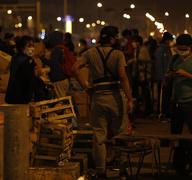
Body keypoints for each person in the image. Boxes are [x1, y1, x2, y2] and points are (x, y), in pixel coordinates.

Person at [73, 26, 133, 178]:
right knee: (120, 134)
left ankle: (101, 171)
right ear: (113, 39)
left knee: (99, 136)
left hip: (98, 97)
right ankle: (122, 170)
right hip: (116, 97)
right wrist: (130, 98)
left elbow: (75, 68)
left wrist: (86, 86)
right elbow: (123, 77)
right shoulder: (118, 54)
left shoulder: (90, 53)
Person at [167, 34, 192, 176]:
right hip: (175, 101)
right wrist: (169, 76)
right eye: (179, 48)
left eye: (184, 49)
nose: (182, 51)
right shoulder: (174, 59)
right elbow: (168, 76)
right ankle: (179, 165)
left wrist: (186, 74)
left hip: (190, 102)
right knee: (175, 135)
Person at [5, 36, 39, 104]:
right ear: (22, 48)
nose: (32, 49)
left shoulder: (16, 58)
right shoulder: (25, 61)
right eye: (29, 46)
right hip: (21, 99)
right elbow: (29, 80)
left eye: (33, 46)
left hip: (13, 97)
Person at [154, 32, 174, 119]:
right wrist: (162, 78)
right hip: (164, 77)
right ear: (167, 40)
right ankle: (162, 113)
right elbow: (159, 65)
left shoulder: (167, 49)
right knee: (163, 96)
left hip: (168, 76)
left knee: (166, 96)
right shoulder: (161, 50)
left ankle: (166, 113)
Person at [43, 31, 69, 98]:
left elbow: (53, 64)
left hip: (58, 79)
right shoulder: (61, 48)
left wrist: (43, 59)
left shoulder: (57, 50)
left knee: (60, 101)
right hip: (63, 78)